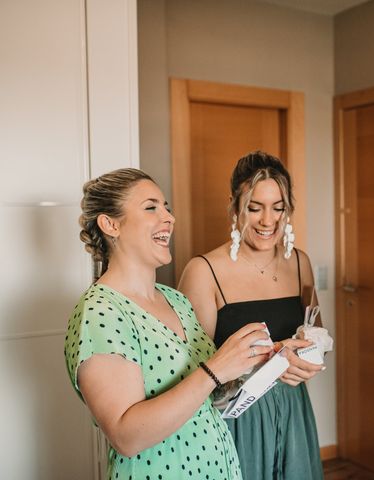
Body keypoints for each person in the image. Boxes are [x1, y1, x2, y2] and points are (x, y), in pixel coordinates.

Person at [64, 168, 273, 480]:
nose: (169, 218)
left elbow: (206, 395)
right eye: (151, 207)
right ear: (110, 224)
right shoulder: (101, 312)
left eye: (167, 207)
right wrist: (215, 370)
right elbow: (126, 436)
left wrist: (263, 361)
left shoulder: (176, 300)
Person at [179, 151, 325, 480]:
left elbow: (318, 333)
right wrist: (270, 357)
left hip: (293, 410)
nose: (267, 220)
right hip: (235, 416)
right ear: (234, 205)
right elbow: (192, 372)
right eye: (254, 207)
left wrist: (307, 354)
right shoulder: (204, 271)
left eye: (278, 208)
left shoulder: (300, 263)